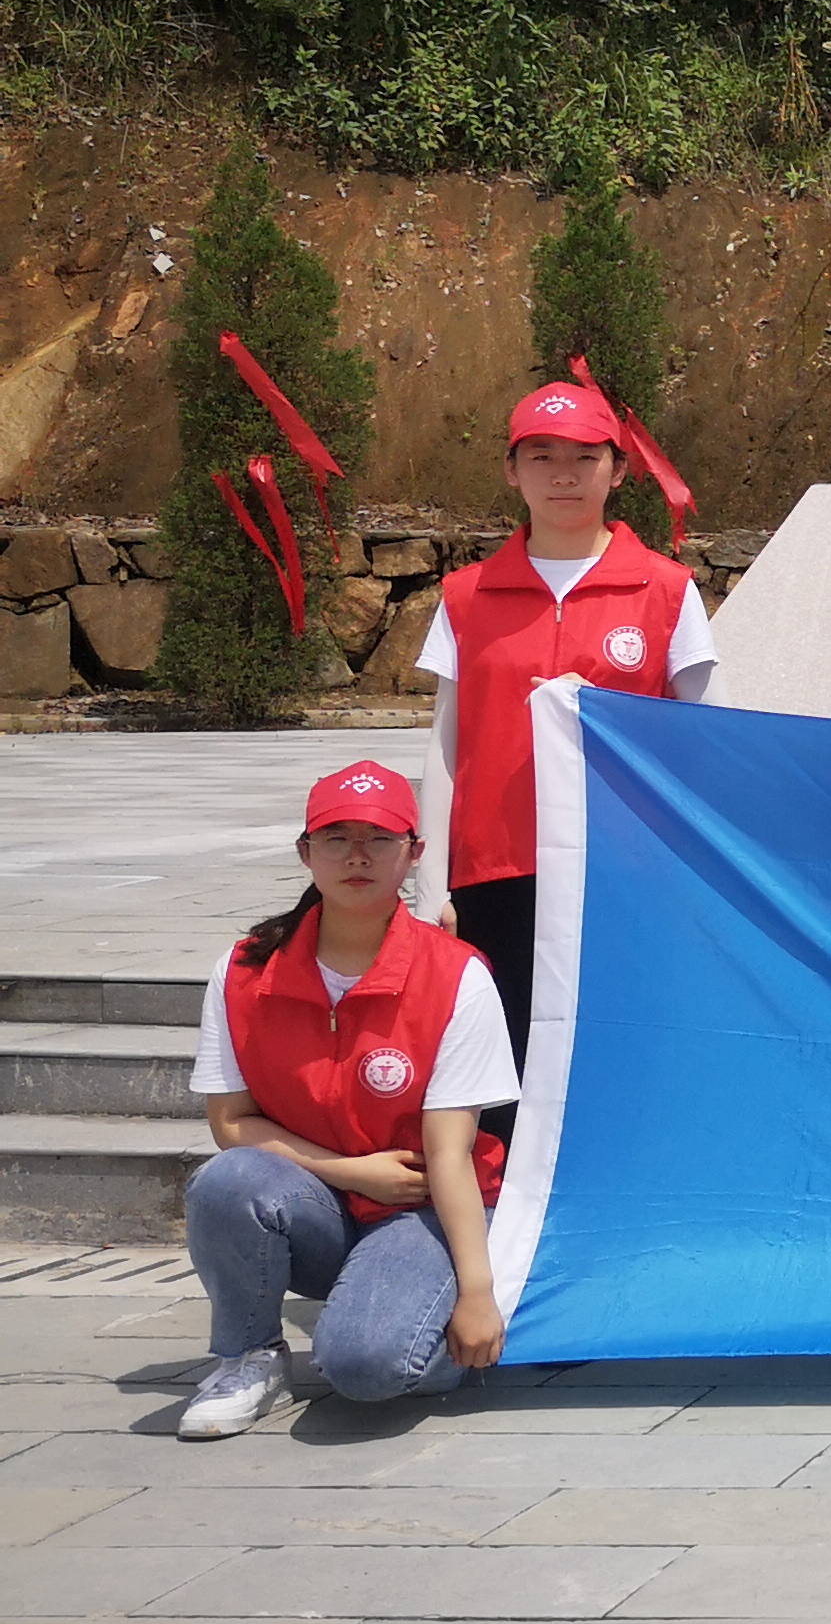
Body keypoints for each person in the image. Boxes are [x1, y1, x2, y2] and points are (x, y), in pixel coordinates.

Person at [176, 764, 515, 1439]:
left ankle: (439, 1321)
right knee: (226, 1182)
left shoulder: (457, 974)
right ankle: (247, 1358)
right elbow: (230, 1124)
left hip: (424, 1208)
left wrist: (478, 1294)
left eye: (379, 839)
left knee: (366, 1368)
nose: (357, 856)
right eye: (336, 838)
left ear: (414, 854)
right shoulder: (244, 970)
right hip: (319, 1208)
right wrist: (351, 1172)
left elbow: (450, 1155)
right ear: (305, 852)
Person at [417, 383, 716, 1074]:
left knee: (621, 1064)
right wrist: (432, 884)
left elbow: (704, 746)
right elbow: (446, 746)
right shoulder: (467, 596)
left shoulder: (665, 589)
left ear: (619, 470)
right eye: (541, 456)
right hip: (498, 873)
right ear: (510, 470)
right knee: (505, 1072)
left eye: (585, 457)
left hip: (625, 875)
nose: (563, 475)